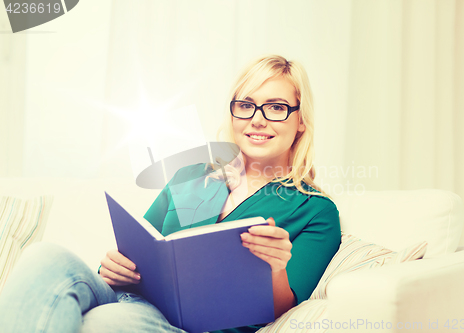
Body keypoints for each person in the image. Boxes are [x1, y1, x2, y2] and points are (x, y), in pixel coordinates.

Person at [0, 55, 341, 333]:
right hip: (127, 297)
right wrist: (115, 267)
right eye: (246, 105)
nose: (257, 119)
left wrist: (276, 268)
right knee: (44, 257)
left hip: (186, 326)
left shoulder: (315, 210)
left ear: (300, 122)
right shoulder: (193, 176)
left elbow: (284, 307)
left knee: (102, 323)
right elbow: (139, 251)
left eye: (276, 107)